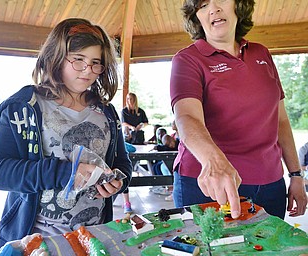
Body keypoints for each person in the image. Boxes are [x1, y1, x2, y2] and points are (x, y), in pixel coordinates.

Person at [0, 18, 132, 248]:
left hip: (93, 238)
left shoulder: (107, 112)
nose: (88, 70)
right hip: (35, 241)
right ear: (55, 57)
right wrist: (65, 173)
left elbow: (122, 163)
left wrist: (118, 180)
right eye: (78, 60)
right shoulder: (25, 106)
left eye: (96, 63)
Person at [170, 0, 307, 220]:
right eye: (203, 5)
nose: (213, 8)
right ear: (197, 17)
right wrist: (214, 162)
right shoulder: (187, 59)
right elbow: (186, 117)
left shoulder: (261, 53)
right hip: (210, 186)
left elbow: (280, 119)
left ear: (238, 5)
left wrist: (296, 175)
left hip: (271, 185)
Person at [120, 92, 148, 213]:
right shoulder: (124, 111)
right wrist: (131, 128)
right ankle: (126, 201)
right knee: (126, 169)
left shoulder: (140, 111)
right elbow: (123, 122)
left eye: (131, 99)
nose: (129, 101)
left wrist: (140, 125)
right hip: (129, 139)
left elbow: (146, 122)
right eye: (127, 99)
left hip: (139, 140)